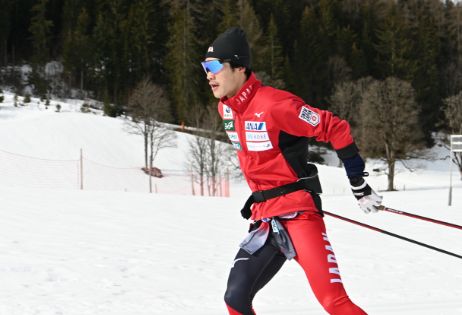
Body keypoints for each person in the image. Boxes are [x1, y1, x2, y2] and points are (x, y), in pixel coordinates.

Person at [201, 27, 382, 315]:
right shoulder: (226, 110)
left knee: (334, 302)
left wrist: (357, 181)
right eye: (204, 67)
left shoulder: (275, 104)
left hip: (299, 216)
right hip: (265, 220)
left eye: (213, 66)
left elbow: (335, 128)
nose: (208, 74)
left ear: (239, 67)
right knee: (235, 298)